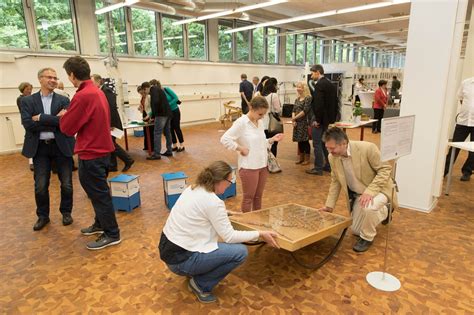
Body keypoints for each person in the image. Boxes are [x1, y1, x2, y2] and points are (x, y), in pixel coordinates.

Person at [158, 160, 279, 303]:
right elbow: (229, 236)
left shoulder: (192, 188)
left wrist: (225, 212)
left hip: (169, 252)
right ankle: (200, 285)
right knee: (240, 252)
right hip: (181, 262)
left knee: (218, 245)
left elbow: (202, 210)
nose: (230, 184)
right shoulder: (213, 202)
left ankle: (194, 271)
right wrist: (260, 234)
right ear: (220, 180)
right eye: (229, 181)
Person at [60, 56, 121, 250]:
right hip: (102, 150)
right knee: (98, 193)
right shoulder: (96, 91)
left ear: (71, 75)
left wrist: (64, 116)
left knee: (99, 194)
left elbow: (67, 128)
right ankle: (100, 224)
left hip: (91, 153)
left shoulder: (82, 95)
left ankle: (112, 233)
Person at [318, 127, 396, 253]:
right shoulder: (333, 157)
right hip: (360, 195)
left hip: (379, 190)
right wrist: (329, 206)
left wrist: (370, 192)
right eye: (327, 147)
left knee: (369, 209)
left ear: (343, 143)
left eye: (332, 148)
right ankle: (385, 211)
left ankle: (367, 238)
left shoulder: (367, 148)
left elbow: (385, 169)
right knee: (355, 230)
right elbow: (336, 181)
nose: (329, 151)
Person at [20, 68, 75, 231]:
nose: (53, 80)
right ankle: (43, 216)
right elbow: (28, 124)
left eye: (55, 77)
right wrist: (56, 119)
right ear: (40, 79)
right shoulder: (28, 101)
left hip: (61, 146)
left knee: (67, 184)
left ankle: (66, 212)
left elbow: (66, 123)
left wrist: (41, 118)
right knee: (41, 185)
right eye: (49, 77)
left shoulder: (63, 99)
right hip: (39, 149)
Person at [220, 96, 284, 212]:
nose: (262, 117)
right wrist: (240, 148)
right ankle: (247, 223)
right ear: (251, 108)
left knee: (258, 197)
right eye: (260, 114)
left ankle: (257, 222)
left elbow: (259, 143)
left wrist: (271, 139)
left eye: (264, 114)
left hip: (262, 165)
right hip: (249, 167)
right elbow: (225, 139)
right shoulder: (241, 123)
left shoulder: (259, 122)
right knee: (248, 198)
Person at [91, 74, 134, 172]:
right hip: (109, 123)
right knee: (111, 143)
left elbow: (111, 108)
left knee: (111, 144)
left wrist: (110, 125)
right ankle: (113, 165)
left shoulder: (106, 91)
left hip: (112, 123)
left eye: (92, 82)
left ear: (99, 82)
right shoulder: (101, 91)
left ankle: (128, 160)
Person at [306, 64, 338, 176]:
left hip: (319, 118)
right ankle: (328, 165)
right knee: (324, 142)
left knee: (317, 143)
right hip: (327, 119)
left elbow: (319, 105)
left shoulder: (320, 85)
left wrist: (317, 120)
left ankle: (318, 168)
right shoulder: (330, 84)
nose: (311, 75)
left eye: (312, 73)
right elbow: (335, 103)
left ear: (318, 72)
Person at [444, 77, 474, 181]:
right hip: (463, 121)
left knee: (473, 150)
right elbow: (461, 99)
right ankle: (444, 170)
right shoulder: (465, 83)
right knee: (454, 147)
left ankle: (467, 171)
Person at [146, 80, 173, 160]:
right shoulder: (158, 89)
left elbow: (155, 102)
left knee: (157, 133)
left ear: (146, 88)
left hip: (161, 114)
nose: (146, 94)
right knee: (167, 132)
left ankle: (157, 154)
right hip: (167, 113)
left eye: (145, 91)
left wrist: (153, 116)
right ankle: (169, 150)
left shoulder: (153, 90)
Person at [291, 81, 312, 165]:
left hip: (304, 122)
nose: (298, 89)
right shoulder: (297, 99)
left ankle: (307, 159)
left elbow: (305, 111)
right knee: (299, 141)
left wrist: (294, 118)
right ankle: (301, 158)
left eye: (300, 87)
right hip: (297, 122)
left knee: (305, 141)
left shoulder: (308, 98)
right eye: (297, 87)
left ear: (304, 88)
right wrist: (293, 119)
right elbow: (293, 110)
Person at [160, 82, 185, 152]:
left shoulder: (166, 89)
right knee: (170, 129)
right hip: (168, 113)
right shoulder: (158, 94)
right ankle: (174, 145)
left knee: (177, 128)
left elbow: (176, 98)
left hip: (175, 111)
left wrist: (168, 105)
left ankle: (182, 145)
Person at [261, 77, 282, 157]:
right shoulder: (274, 95)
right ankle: (272, 164)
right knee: (273, 144)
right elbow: (277, 110)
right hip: (272, 124)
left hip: (262, 124)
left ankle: (265, 162)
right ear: (274, 85)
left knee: (264, 144)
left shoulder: (261, 95)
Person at [17, 82, 34, 171]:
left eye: (30, 89)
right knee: (30, 139)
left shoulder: (29, 98)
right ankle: (31, 162)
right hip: (28, 122)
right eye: (27, 89)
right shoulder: (21, 99)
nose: (30, 91)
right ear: (22, 89)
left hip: (33, 121)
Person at [138, 83, 154, 152]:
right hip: (144, 114)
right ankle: (146, 146)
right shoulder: (142, 97)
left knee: (150, 131)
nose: (141, 94)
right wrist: (140, 108)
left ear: (144, 90)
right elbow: (142, 106)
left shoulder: (149, 96)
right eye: (140, 93)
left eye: (142, 92)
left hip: (149, 115)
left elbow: (152, 107)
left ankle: (152, 147)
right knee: (145, 131)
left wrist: (150, 116)